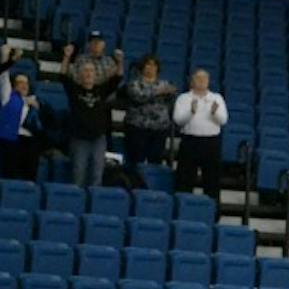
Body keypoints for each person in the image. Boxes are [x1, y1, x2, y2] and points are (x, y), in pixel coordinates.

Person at [59, 41, 123, 189]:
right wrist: (67, 57)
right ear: (80, 75)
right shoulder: (74, 90)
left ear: (96, 75)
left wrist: (120, 61)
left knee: (97, 175)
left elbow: (118, 77)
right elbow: (62, 75)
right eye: (85, 71)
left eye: (91, 71)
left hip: (98, 139)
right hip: (79, 138)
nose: (88, 74)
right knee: (78, 174)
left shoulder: (102, 90)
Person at [173, 68, 227, 199]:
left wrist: (215, 113)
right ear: (192, 81)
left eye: (205, 78)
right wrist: (191, 111)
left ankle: (212, 212)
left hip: (211, 143)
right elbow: (178, 120)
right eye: (198, 78)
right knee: (185, 180)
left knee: (212, 181)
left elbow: (223, 120)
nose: (202, 81)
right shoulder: (184, 98)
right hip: (190, 141)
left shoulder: (216, 98)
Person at [122, 55, 177, 170]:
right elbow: (138, 96)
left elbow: (172, 92)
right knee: (136, 160)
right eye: (148, 64)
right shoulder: (134, 83)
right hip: (138, 128)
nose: (151, 68)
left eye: (154, 65)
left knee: (155, 160)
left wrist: (164, 92)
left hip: (159, 129)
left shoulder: (165, 83)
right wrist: (158, 92)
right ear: (142, 67)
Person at [0, 49, 44, 181]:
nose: (24, 85)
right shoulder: (8, 96)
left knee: (32, 150)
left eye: (26, 83)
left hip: (29, 139)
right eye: (20, 82)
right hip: (9, 138)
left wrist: (37, 107)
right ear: (13, 86)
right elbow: (3, 75)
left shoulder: (37, 101)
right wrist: (6, 58)